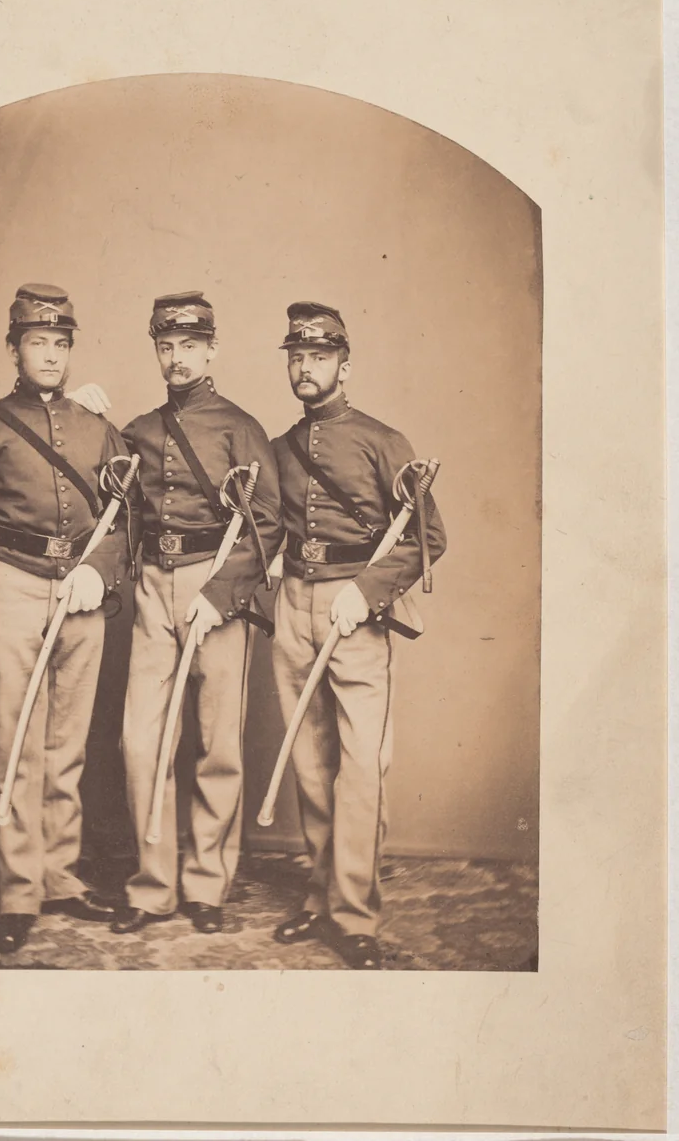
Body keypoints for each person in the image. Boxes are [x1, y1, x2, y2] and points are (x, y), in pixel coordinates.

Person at [0, 283, 130, 954]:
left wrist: (98, 569)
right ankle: (20, 891)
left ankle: (60, 877)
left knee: (67, 744)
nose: (50, 355)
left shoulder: (98, 427)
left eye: (60, 343)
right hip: (13, 589)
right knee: (16, 743)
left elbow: (125, 515)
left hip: (81, 595)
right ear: (13, 349)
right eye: (37, 342)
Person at [268, 301, 447, 969]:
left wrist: (367, 590)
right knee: (311, 765)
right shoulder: (281, 447)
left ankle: (354, 915)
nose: (306, 368)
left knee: (361, 767)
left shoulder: (382, 441)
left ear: (344, 365)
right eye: (297, 357)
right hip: (294, 606)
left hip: (356, 612)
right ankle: (320, 897)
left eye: (319, 357)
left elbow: (429, 537)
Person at [110, 292, 284, 935]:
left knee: (218, 745)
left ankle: (208, 886)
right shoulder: (138, 430)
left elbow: (269, 523)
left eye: (189, 346)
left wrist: (221, 593)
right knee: (141, 741)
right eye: (166, 347)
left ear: (211, 350)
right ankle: (151, 888)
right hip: (154, 587)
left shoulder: (241, 428)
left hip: (217, 589)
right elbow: (114, 507)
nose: (176, 358)